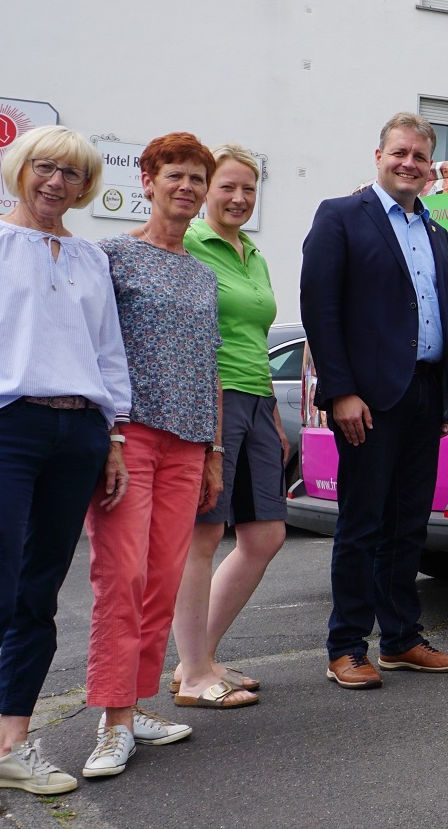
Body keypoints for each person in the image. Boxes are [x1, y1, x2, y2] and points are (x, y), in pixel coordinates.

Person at [0, 126, 130, 817]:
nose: (57, 182)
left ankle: (12, 746)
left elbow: (106, 351)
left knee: (38, 595)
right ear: (21, 169)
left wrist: (110, 436)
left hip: (78, 429)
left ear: (85, 187)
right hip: (0, 427)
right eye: (45, 168)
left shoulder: (87, 257)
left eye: (72, 174)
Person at [300, 112, 448, 690]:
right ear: (379, 156)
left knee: (407, 525)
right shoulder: (342, 216)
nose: (409, 164)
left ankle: (400, 640)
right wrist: (340, 391)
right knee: (363, 524)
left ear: (431, 168)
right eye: (400, 153)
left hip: (425, 394)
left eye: (420, 157)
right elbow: (321, 308)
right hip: (367, 399)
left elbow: (444, 314)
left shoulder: (437, 234)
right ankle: (346, 646)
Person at [83, 133, 226, 780]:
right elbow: (90, 348)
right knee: (123, 576)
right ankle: (113, 720)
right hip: (129, 436)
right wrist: (107, 435)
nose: (188, 187)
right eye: (176, 174)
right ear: (147, 180)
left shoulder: (203, 273)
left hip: (190, 442)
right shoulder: (110, 256)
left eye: (198, 177)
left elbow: (210, 366)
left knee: (163, 581)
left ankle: (134, 706)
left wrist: (215, 450)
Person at [170, 144, 288, 706]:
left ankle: (200, 659)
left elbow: (257, 336)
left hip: (257, 399)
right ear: (206, 190)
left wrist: (270, 410)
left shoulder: (254, 254)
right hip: (210, 399)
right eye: (227, 187)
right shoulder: (189, 243)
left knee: (265, 535)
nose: (239, 198)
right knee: (204, 535)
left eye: (249, 189)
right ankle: (194, 673)